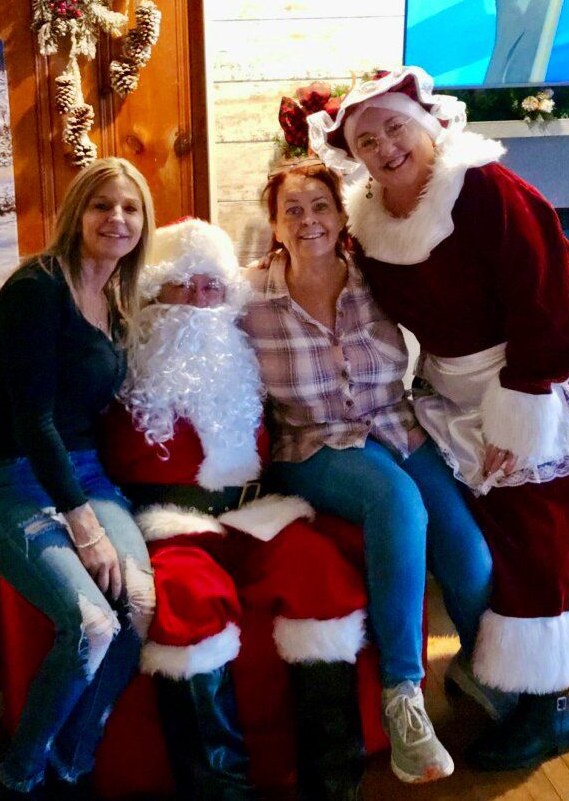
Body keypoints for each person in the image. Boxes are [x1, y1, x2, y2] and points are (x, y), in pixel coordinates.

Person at [306, 66, 569, 770]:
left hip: (545, 375)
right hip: (457, 389)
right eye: (366, 139)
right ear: (351, 155)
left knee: (539, 535)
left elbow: (546, 299)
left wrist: (523, 415)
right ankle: (510, 676)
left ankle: (550, 711)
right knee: (495, 538)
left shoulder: (486, 191)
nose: (386, 147)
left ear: (429, 125)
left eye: (396, 128)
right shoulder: (368, 219)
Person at [241, 158, 498, 786]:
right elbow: (174, 319)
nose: (308, 221)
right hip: (312, 446)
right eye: (292, 211)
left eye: (320, 206)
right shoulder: (245, 298)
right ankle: (402, 693)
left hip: (397, 427)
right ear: (274, 225)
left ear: (341, 216)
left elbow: (459, 311)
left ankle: (492, 673)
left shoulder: (379, 279)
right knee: (398, 505)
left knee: (468, 550)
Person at [102, 218, 369, 801]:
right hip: (170, 523)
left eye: (212, 286)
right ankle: (221, 791)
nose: (201, 299)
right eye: (185, 284)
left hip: (257, 513)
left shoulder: (247, 353)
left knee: (322, 576)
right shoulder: (117, 360)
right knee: (187, 604)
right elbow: (41, 425)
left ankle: (334, 785)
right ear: (154, 293)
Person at [0, 157, 157, 800]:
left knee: (139, 606)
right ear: (77, 213)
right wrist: (85, 526)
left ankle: (72, 767)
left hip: (88, 474)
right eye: (103, 205)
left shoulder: (116, 298)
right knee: (93, 624)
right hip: (12, 477)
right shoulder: (36, 288)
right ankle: (19, 778)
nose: (118, 219)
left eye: (130, 208)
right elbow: (32, 420)